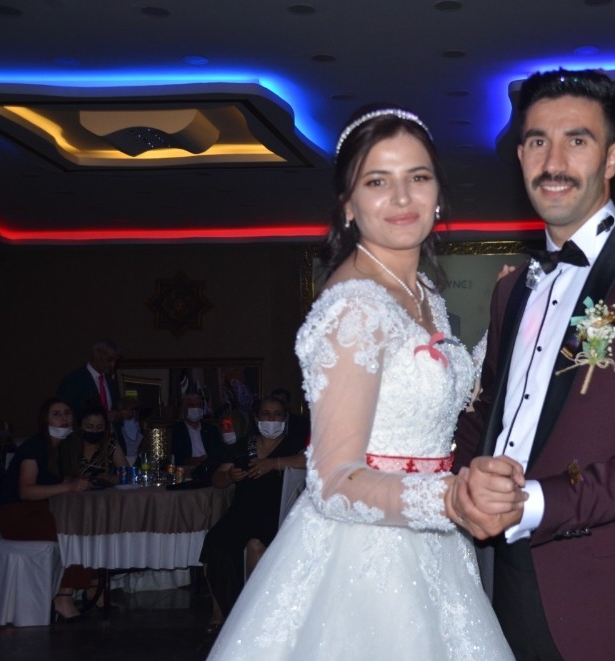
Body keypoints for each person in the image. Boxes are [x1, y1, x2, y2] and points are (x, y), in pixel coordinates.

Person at [208, 106, 513, 659]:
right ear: (348, 204)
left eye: (417, 177)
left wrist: (506, 321)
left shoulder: (423, 292)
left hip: (434, 547)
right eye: (377, 181)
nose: (401, 197)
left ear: (438, 195)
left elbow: (440, 399)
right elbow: (332, 483)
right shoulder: (353, 308)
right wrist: (448, 497)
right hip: (363, 561)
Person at [451, 69, 615, 659]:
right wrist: (455, 483)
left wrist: (536, 502)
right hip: (500, 577)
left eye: (577, 140)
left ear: (613, 157)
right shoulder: (510, 290)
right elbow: (489, 411)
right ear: (520, 156)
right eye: (537, 141)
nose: (554, 162)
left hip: (613, 593)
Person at [200, 395, 307, 634]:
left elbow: (309, 460)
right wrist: (229, 476)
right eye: (266, 414)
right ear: (257, 418)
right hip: (242, 511)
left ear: (284, 418)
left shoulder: (293, 444)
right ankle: (220, 611)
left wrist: (273, 463)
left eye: (277, 414)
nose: (272, 419)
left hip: (275, 514)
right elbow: (218, 479)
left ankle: (253, 613)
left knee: (255, 544)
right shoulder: (244, 445)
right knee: (215, 543)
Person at [0, 397, 95, 621]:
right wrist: (68, 486)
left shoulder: (60, 449)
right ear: (45, 419)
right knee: (75, 536)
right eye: (56, 414)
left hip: (40, 512)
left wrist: (70, 482)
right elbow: (26, 491)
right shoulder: (35, 447)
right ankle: (63, 597)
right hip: (18, 516)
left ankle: (91, 589)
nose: (64, 418)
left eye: (67, 413)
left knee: (87, 527)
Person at [56, 339, 122, 423]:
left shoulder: (111, 381)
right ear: (96, 354)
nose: (113, 365)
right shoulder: (72, 381)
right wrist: (102, 418)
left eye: (116, 361)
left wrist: (118, 414)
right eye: (109, 359)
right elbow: (67, 413)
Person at [59, 405, 128, 484]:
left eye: (99, 427)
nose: (94, 431)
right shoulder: (69, 444)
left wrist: (109, 479)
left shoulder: (110, 444)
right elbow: (57, 478)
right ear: (80, 426)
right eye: (89, 427)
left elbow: (128, 474)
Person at [169, 392, 224, 471]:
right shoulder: (175, 430)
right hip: (185, 469)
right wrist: (192, 461)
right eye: (191, 405)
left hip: (210, 468)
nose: (196, 408)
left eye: (199, 405)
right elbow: (174, 457)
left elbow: (218, 453)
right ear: (184, 409)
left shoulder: (211, 430)